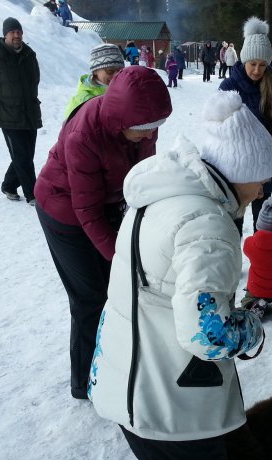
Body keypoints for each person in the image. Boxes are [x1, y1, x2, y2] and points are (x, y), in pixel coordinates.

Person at [89, 89, 272, 460]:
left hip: (125, 383)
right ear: (238, 171)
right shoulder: (207, 225)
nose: (263, 189)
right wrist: (251, 330)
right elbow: (206, 332)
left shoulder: (159, 196)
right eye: (262, 177)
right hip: (170, 401)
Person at [34, 67, 172, 401]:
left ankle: (117, 361)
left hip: (107, 202)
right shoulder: (84, 134)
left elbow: (143, 178)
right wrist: (122, 258)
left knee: (119, 288)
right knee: (90, 297)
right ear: (122, 119)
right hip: (63, 210)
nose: (150, 135)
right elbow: (87, 211)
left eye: (154, 128)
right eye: (144, 129)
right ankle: (85, 382)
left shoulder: (142, 125)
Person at [219, 16, 272, 235]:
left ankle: (261, 257)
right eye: (253, 64)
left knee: (263, 226)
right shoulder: (228, 87)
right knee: (232, 226)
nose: (257, 70)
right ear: (244, 60)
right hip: (235, 169)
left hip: (264, 168)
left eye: (263, 65)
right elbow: (221, 132)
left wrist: (263, 173)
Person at [0, 17, 41, 205]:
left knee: (26, 155)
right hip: (8, 117)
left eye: (19, 32)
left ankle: (9, 185)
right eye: (12, 32)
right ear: (5, 35)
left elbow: (35, 80)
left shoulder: (29, 55)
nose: (16, 35)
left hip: (30, 112)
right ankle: (33, 194)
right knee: (22, 156)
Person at [62, 43, 124, 120]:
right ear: (95, 71)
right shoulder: (83, 101)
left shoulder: (123, 90)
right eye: (110, 71)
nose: (116, 75)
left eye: (120, 71)